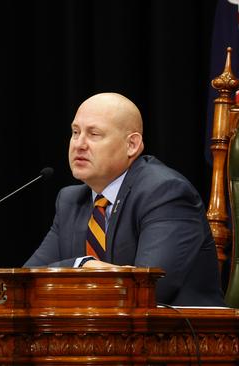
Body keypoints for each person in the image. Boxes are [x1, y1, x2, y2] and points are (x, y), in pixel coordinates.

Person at [24, 92, 225, 306]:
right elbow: (24, 282)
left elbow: (146, 290)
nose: (79, 144)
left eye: (94, 134)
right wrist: (81, 265)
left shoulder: (165, 193)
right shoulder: (71, 200)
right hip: (99, 333)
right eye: (75, 132)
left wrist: (67, 273)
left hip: (186, 334)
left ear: (132, 145)